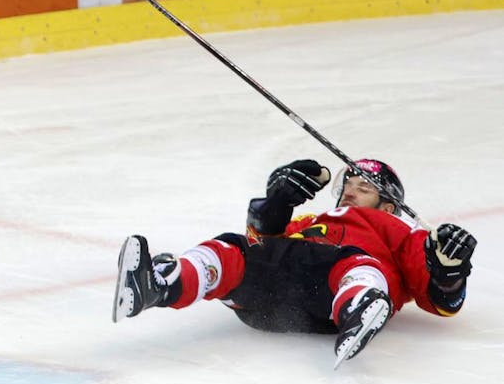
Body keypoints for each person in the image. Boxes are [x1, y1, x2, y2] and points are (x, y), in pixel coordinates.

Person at [112, 158, 477, 368]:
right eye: (348, 182)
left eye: (364, 187)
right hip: (269, 307)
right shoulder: (308, 225)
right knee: (234, 250)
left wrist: (447, 272)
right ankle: (161, 286)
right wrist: (275, 203)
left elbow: (436, 294)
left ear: (388, 206)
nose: (350, 188)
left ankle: (360, 307)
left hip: (334, 298)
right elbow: (263, 245)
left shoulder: (392, 226)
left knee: (354, 264)